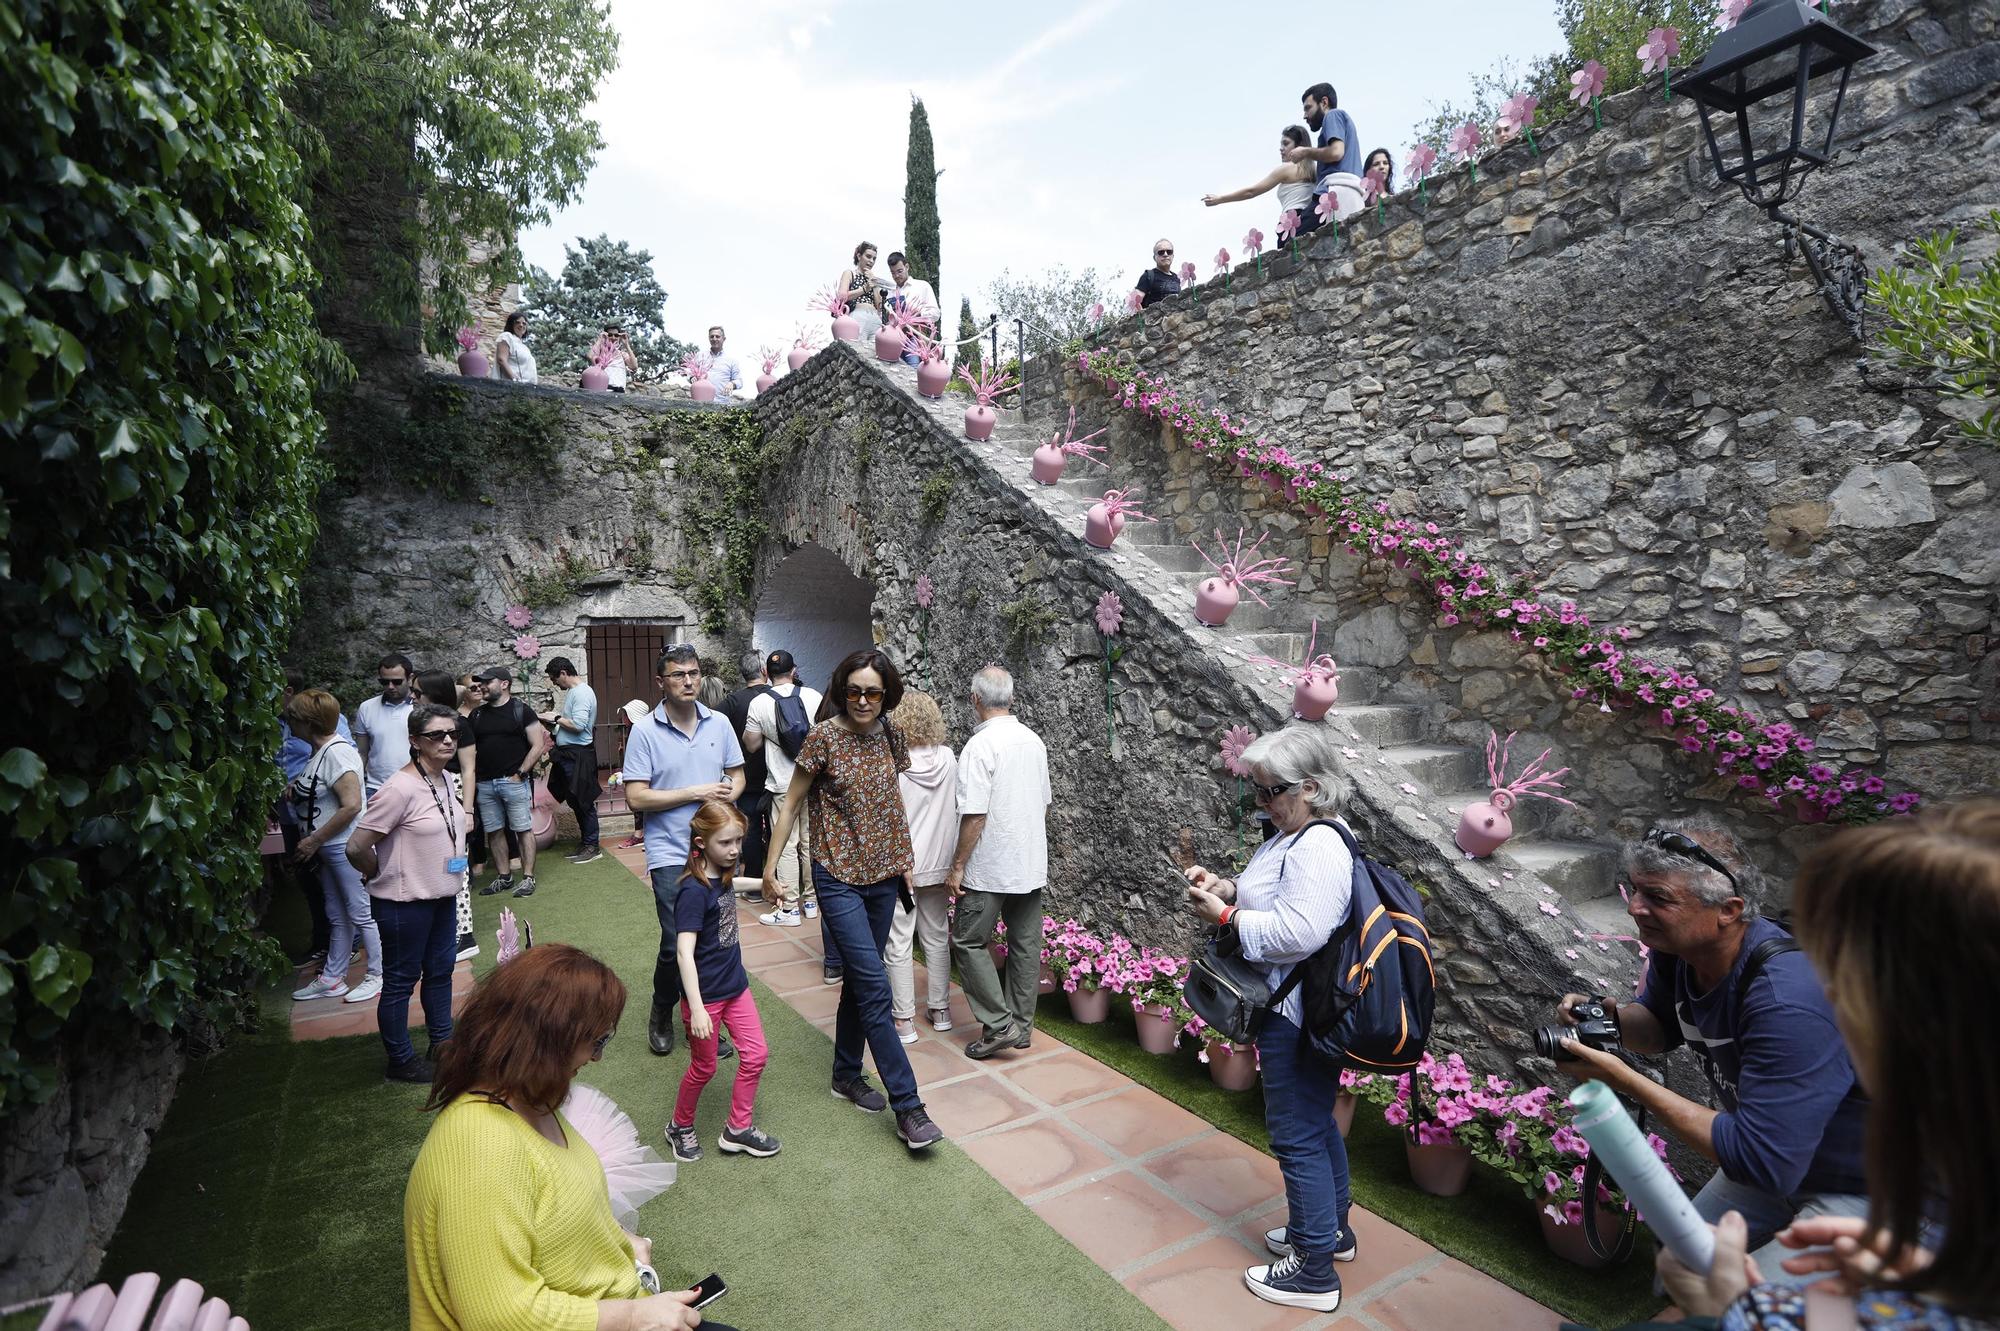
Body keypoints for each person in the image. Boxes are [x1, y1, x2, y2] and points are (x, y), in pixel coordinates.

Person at [1627, 801, 2000, 1331]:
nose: (1821, 986)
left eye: (1837, 955)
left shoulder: (1793, 998)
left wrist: (1735, 1314)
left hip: (1853, 1190)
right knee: (1684, 1276)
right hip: (1827, 1189)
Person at [1553, 817, 1870, 1280]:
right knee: (1680, 1267)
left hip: (1866, 1187)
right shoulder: (1679, 950)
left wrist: (1623, 1080)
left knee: (1752, 1311)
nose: (1635, 908)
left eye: (1658, 897)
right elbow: (1662, 1027)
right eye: (1635, 890)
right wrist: (1612, 1023)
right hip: (1782, 1161)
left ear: (1728, 909)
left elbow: (1761, 1159)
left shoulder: (1787, 1001)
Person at [406, 943, 732, 1331]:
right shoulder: (481, 1146)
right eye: (596, 1042)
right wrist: (632, 1316)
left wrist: (620, 1240)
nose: (596, 1058)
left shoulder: (526, 1102)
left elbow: (554, 1208)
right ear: (547, 1041)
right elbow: (497, 1315)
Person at [1184, 723, 1359, 1314]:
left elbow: (1300, 931)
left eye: (1268, 792)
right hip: (1301, 1008)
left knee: (1297, 1135)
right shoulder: (1299, 833)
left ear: (1310, 786)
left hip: (1296, 1014)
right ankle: (1331, 1232)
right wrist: (1226, 887)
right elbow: (1273, 894)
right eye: (1254, 791)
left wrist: (1226, 918)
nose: (1260, 803)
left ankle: (1313, 1272)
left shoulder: (1318, 844)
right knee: (1313, 1124)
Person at [761, 648, 944, 1152]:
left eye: (874, 692)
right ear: (842, 689)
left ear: (887, 695)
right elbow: (793, 801)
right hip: (837, 874)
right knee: (874, 984)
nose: (863, 700)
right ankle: (909, 1107)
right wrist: (771, 867)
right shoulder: (823, 738)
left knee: (861, 987)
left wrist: (904, 862)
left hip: (884, 877)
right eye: (855, 691)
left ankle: (846, 1073)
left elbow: (890, 804)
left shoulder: (891, 735)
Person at [619, 645, 745, 1060]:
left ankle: (704, 1019)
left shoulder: (720, 723)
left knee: (712, 937)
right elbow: (636, 797)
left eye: (693, 673)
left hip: (714, 850)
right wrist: (695, 792)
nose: (689, 681)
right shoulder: (645, 732)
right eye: (678, 675)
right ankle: (662, 1010)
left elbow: (737, 777)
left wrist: (726, 798)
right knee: (677, 939)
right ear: (662, 682)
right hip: (670, 850)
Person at [345, 703, 467, 1083]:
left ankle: (442, 1045)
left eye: (452, 733)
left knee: (440, 972)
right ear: (415, 741)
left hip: (441, 896)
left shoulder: (444, 778)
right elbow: (356, 847)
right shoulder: (398, 788)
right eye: (436, 735)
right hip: (403, 903)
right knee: (400, 980)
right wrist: (378, 873)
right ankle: (400, 1061)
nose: (447, 740)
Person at [946, 667, 1052, 1060]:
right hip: (1027, 861)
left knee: (968, 940)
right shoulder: (1033, 741)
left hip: (990, 865)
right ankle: (1019, 1030)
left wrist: (957, 866)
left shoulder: (979, 746)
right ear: (1010, 698)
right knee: (1025, 946)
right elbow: (1041, 804)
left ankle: (999, 1024)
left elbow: (974, 815)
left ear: (975, 699)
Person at [665, 801, 779, 1164]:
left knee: (756, 1054)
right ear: (700, 843)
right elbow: (683, 953)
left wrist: (766, 883)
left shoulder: (722, 873)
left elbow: (731, 884)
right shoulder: (692, 892)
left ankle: (737, 1129)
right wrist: (696, 1009)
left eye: (738, 841)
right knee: (705, 1067)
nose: (734, 850)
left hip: (736, 987)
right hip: (707, 998)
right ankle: (679, 1126)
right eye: (725, 843)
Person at [286, 688, 382, 1005]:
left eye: (294, 718)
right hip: (330, 851)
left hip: (343, 848)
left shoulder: (338, 753)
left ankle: (379, 975)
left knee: (363, 912)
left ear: (307, 722)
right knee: (338, 915)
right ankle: (333, 977)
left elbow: (351, 805)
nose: (290, 722)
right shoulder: (321, 753)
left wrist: (313, 839)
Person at [882, 690, 958, 1042]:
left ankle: (904, 1020)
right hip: (941, 865)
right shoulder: (949, 758)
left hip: (905, 866)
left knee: (898, 940)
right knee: (936, 936)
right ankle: (941, 1010)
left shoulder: (895, 762)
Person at [745, 650, 826, 933]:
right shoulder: (814, 697)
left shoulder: (759, 703)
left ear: (767, 674)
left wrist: (770, 734)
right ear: (795, 670)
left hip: (781, 783)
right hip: (813, 781)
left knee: (787, 844)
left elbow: (752, 744)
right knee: (810, 840)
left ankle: (790, 907)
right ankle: (813, 901)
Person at [279, 669, 353, 968]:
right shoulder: (277, 727)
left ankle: (371, 967)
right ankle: (332, 956)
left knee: (352, 900)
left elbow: (348, 793)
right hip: (296, 818)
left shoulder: (332, 745)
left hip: (327, 827)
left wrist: (315, 838)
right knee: (316, 887)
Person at [414, 671, 478, 963]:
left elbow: (468, 769)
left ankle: (464, 934)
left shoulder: (460, 724)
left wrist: (467, 810)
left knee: (456, 864)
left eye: (418, 692)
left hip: (454, 796)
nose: (412, 696)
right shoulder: (421, 723)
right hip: (430, 794)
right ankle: (442, 929)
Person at [471, 665, 551, 899]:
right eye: (480, 682)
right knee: (494, 831)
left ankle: (528, 878)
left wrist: (520, 772)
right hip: (485, 784)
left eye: (487, 681)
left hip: (513, 781)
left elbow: (537, 745)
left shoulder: (521, 711)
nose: (482, 686)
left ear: (504, 684)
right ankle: (504, 877)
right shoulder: (477, 714)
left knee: (523, 829)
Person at [1202, 126, 1322, 235]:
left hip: (1291, 224)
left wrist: (1220, 199)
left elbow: (1251, 192)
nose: (1281, 148)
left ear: (1299, 146)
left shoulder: (1287, 169)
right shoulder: (1314, 171)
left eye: (1286, 144)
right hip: (1309, 221)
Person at [540, 657, 603, 865]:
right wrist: (555, 725)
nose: (555, 683)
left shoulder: (582, 693)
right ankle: (586, 843)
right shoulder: (575, 693)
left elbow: (578, 725)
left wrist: (555, 718)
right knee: (575, 800)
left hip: (578, 755)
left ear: (564, 673)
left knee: (583, 800)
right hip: (569, 754)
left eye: (554, 678)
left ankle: (592, 846)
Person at [720, 651, 772, 894]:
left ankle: (752, 884)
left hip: (746, 777)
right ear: (764, 671)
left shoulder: (732, 702)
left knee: (750, 831)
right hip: (776, 777)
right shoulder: (775, 698)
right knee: (778, 830)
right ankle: (779, 882)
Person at [1288, 83, 1367, 221]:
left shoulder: (1333, 115)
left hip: (1334, 192)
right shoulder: (1342, 120)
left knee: (1290, 238)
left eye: (1308, 108)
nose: (1305, 116)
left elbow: (1336, 152)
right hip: (1350, 195)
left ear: (1324, 102)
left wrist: (1305, 152)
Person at [353, 653, 415, 796]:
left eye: (397, 682)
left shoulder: (421, 707)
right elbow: (362, 753)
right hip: (376, 788)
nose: (390, 686)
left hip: (414, 786)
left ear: (410, 679)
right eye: (384, 682)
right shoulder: (367, 707)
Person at [883, 253, 939, 366]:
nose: (897, 276)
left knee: (912, 371)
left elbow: (935, 313)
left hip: (913, 337)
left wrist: (917, 313)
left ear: (907, 267)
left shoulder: (922, 286)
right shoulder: (888, 292)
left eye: (899, 271)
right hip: (892, 339)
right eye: (893, 273)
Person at [833, 242, 887, 340]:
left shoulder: (872, 278)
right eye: (868, 256)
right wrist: (864, 289)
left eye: (874, 258)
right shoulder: (849, 273)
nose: (871, 261)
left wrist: (874, 283)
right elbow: (842, 297)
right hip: (858, 316)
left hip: (875, 318)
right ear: (859, 256)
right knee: (857, 351)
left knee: (873, 353)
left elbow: (880, 306)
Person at [617, 698, 649, 850]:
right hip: (635, 772)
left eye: (626, 714)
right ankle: (642, 834)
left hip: (643, 774)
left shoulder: (641, 730)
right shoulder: (632, 730)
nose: (623, 718)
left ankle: (640, 835)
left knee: (641, 803)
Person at [590, 323, 638, 392]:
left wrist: (626, 345)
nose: (613, 338)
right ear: (605, 336)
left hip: (619, 392)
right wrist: (600, 339)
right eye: (610, 335)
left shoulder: (622, 355)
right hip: (602, 391)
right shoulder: (600, 353)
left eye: (616, 335)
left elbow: (634, 366)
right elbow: (590, 356)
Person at [1133, 239, 1182, 308]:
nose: (1165, 254)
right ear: (1154, 257)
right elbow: (1135, 302)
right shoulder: (1148, 276)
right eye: (1161, 252)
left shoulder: (1176, 278)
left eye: (1169, 252)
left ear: (1173, 256)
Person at [495, 310, 538, 384]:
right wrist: (514, 379)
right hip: (512, 386)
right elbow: (501, 359)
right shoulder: (507, 336)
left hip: (527, 388)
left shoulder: (524, 347)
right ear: (511, 324)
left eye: (524, 323)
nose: (521, 325)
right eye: (517, 322)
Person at [705, 327, 744, 401]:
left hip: (722, 405)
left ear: (724, 339)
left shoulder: (731, 360)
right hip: (701, 404)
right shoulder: (700, 356)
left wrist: (732, 384)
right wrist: (691, 378)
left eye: (717, 336)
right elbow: (689, 373)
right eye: (712, 336)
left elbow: (739, 382)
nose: (714, 339)